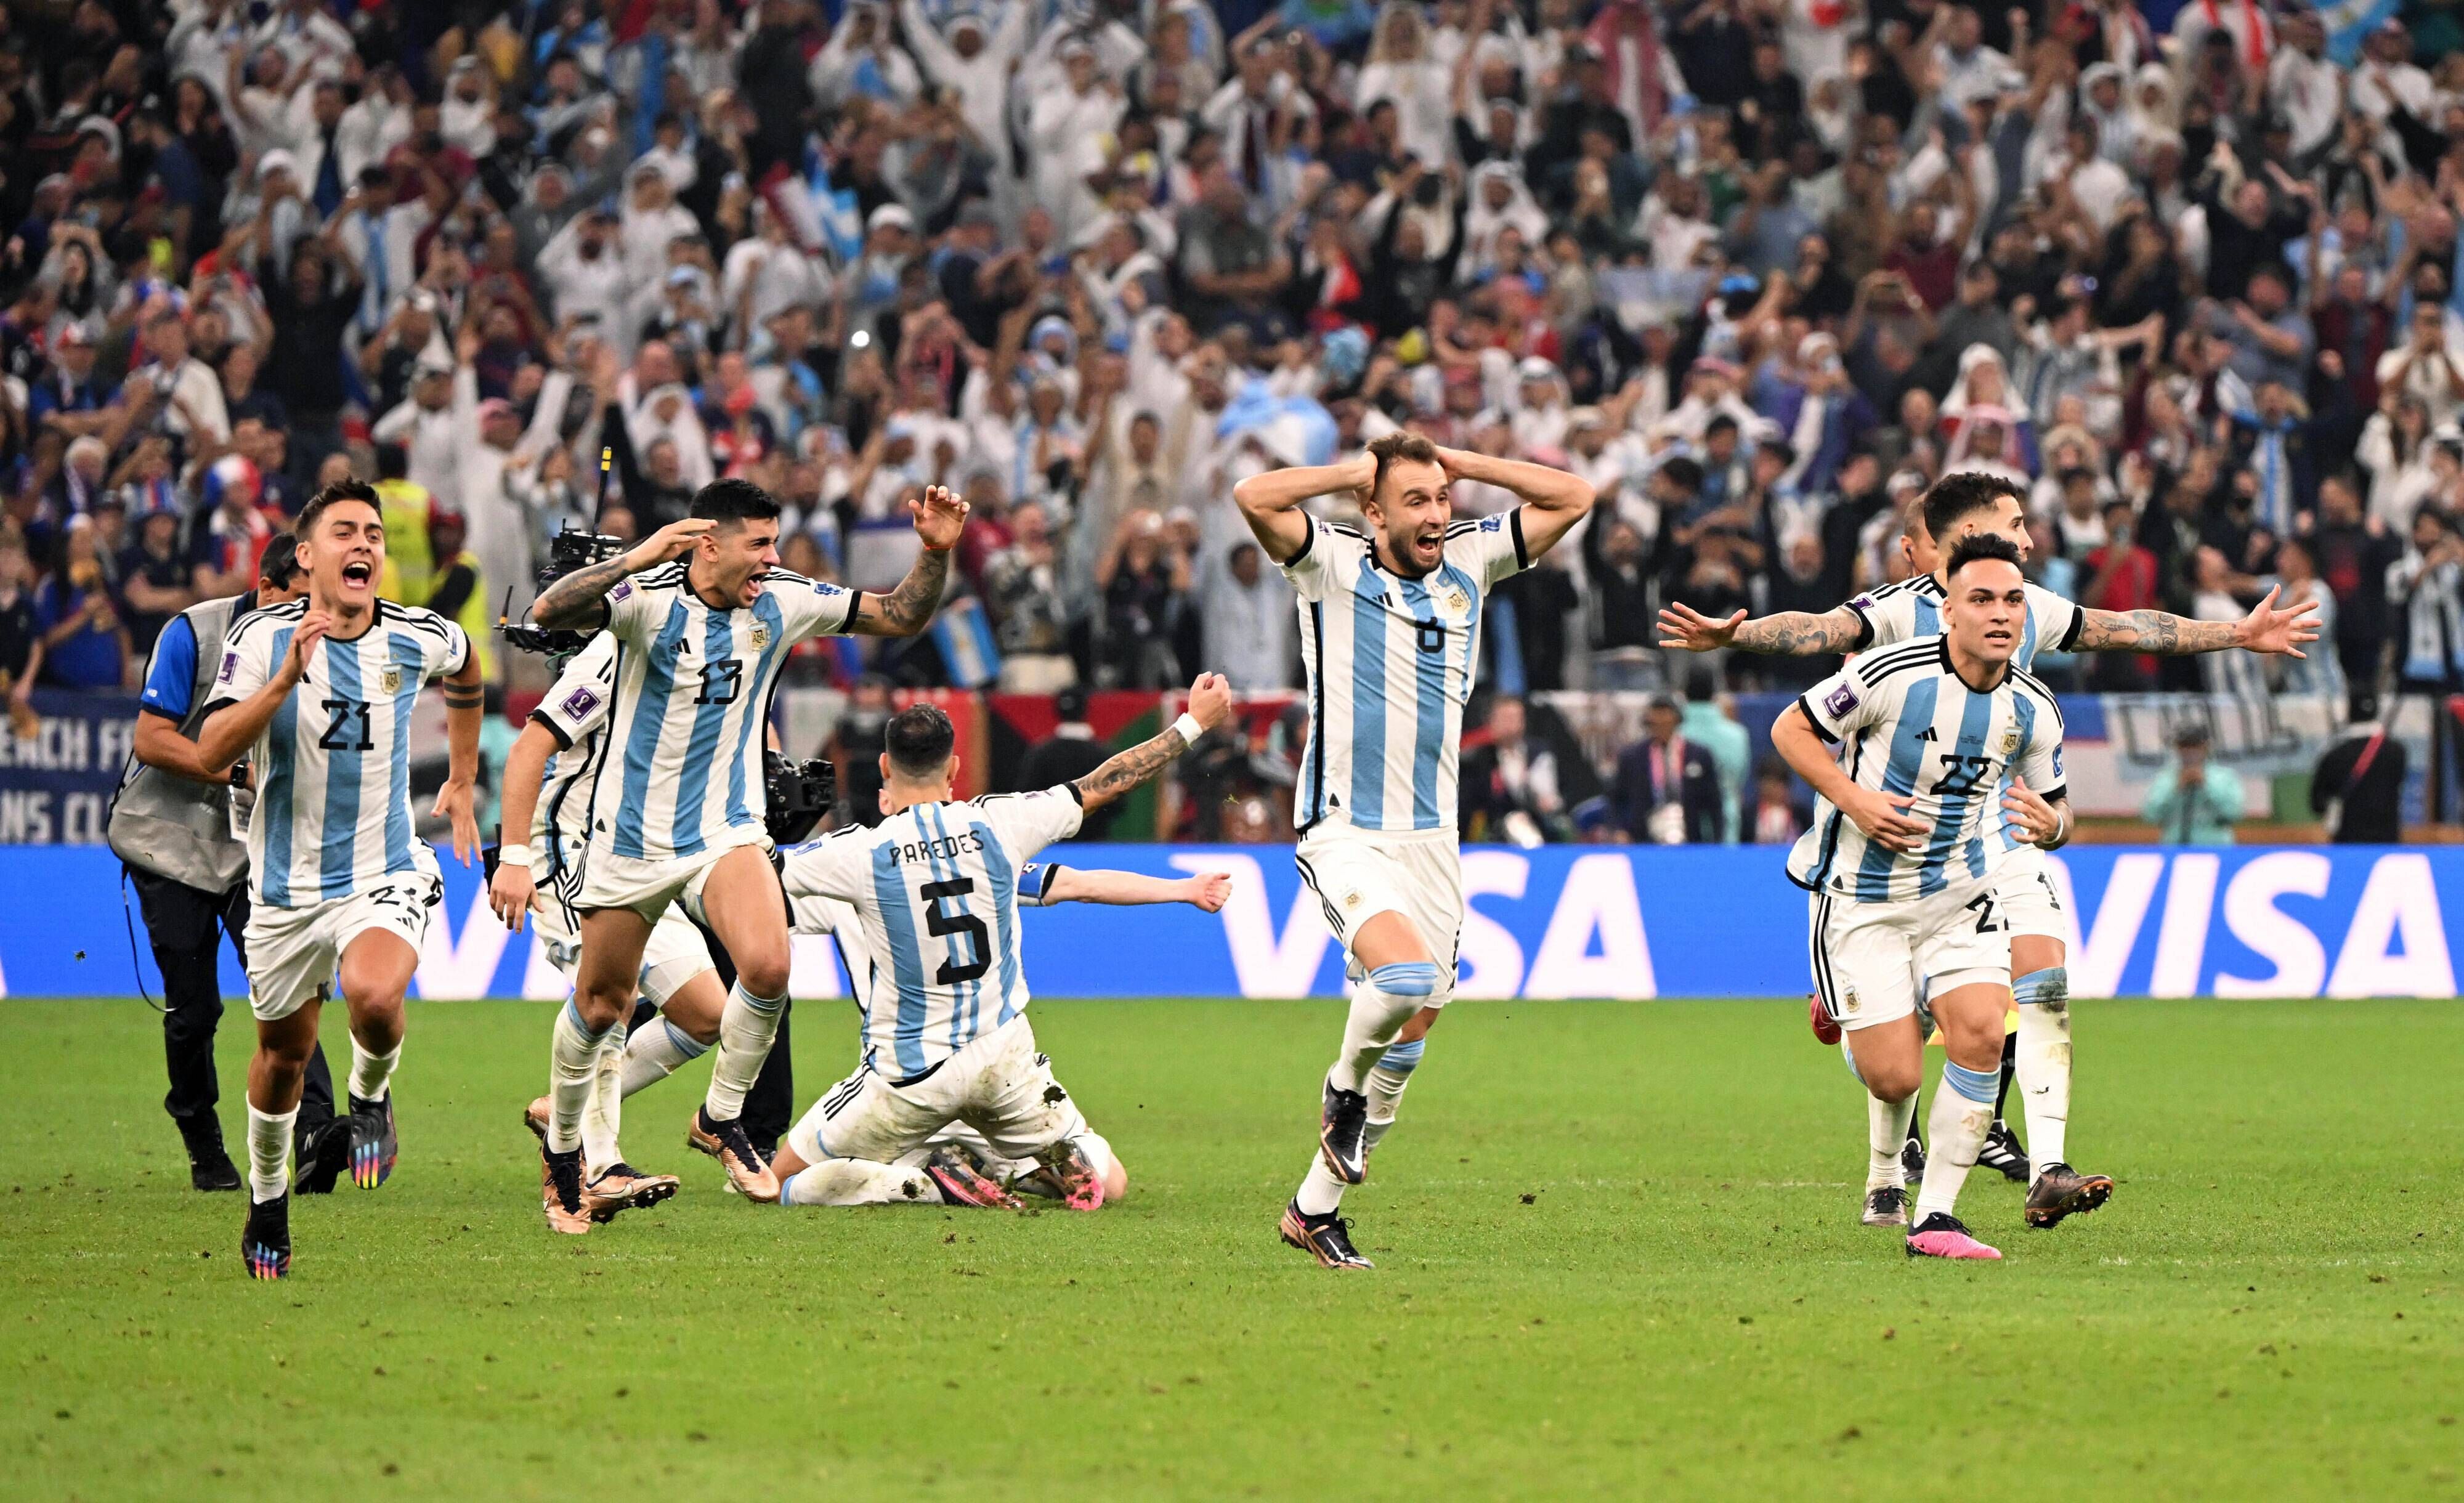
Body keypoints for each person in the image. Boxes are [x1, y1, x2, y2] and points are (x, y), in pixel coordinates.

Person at [1663, 473, 2317, 1228]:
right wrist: (1735, 634)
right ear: (1959, 539)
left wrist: (2235, 633)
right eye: (2012, 524)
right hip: (1886, 843)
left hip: (1992, 829)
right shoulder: (1893, 611)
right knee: (1896, 1050)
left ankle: (2047, 1167)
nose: (2028, 540)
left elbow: (2129, 627)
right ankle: (1884, 1135)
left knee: (2041, 977)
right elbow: (1813, 628)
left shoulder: (2028, 605)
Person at [521, 478, 962, 1229]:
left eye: (774, 541)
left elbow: (898, 614)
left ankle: (721, 1119)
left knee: (767, 966)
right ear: (709, 544)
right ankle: (567, 1152)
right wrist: (639, 555)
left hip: (726, 831)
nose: (772, 557)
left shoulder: (782, 598)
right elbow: (545, 613)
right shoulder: (647, 600)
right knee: (601, 1007)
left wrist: (932, 554)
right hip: (629, 839)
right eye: (757, 543)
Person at [1231, 432, 1592, 1270]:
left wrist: (1464, 464)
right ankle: (1342, 1093)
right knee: (1401, 980)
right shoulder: (1327, 562)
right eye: (1416, 501)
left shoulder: (1472, 560)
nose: (1436, 516)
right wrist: (1352, 470)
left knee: (1419, 1023)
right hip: (1345, 830)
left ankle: (1312, 1211)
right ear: (1373, 512)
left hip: (1434, 840)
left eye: (1441, 501)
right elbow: (1255, 497)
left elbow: (1573, 497)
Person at [763, 688, 1233, 1210]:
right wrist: (1192, 726)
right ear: (954, 768)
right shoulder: (999, 828)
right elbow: (1106, 787)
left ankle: (921, 1182)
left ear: (884, 771)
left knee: (781, 1181)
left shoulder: (853, 855)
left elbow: (752, 879)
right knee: (1111, 1179)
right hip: (1003, 1064)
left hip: (913, 1074)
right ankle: (1028, 1165)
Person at [192, 480, 485, 1280]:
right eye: (345, 532)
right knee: (282, 1060)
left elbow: (466, 675)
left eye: (374, 535)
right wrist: (284, 682)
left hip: (382, 872)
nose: (363, 545)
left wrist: (461, 775)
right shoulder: (261, 638)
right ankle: (268, 1199)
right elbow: (214, 748)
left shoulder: (417, 634)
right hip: (285, 888)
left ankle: (368, 1102)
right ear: (308, 555)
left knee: (376, 996)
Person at [1771, 533, 2077, 1260]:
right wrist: (1854, 799)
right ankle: (1855, 1022)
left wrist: (2053, 825)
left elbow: (2059, 814)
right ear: (1948, 611)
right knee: (1896, 1072)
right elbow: (1792, 728)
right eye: (1981, 600)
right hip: (1863, 897)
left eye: (2011, 601)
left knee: (1979, 1030)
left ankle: (1936, 1217)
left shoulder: (2033, 709)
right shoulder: (1889, 674)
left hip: (1959, 895)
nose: (2000, 614)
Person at [107, 534, 335, 1193]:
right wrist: (231, 767)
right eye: (299, 597)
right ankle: (200, 1133)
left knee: (287, 988)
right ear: (267, 586)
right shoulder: (195, 632)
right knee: (196, 1008)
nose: (310, 613)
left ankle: (318, 1135)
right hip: (168, 841)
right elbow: (151, 740)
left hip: (250, 849)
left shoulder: (324, 646)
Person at [1609, 694, 1723, 844]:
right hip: (1645, 836)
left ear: (1676, 719)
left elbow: (1714, 802)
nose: (1660, 721)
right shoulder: (1632, 757)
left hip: (1689, 835)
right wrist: (1620, 830)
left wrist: (1717, 841)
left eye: (1665, 714)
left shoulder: (1698, 755)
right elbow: (1617, 799)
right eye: (1656, 715)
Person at [2312, 700, 2406, 844]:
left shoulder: (2334, 756)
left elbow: (2317, 804)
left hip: (2348, 841)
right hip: (2387, 840)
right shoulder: (2398, 752)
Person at [2141, 724, 2245, 845]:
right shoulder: (2166, 778)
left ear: (2205, 747)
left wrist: (2207, 787)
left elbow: (2234, 814)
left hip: (2214, 848)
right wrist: (2175, 789)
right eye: (2184, 746)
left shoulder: (2224, 777)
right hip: (2174, 848)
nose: (2189, 752)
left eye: (2194, 747)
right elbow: (2151, 815)